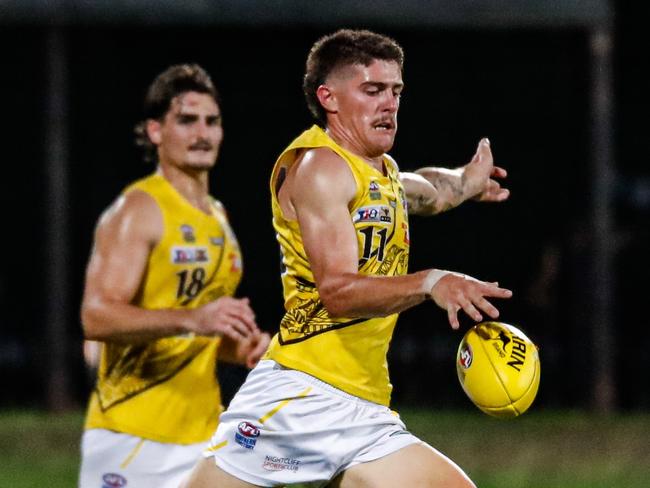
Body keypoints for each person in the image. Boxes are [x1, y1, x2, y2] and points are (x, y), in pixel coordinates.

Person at [184, 29, 511, 488]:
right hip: (300, 394)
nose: (389, 103)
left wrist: (468, 180)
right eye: (372, 90)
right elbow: (337, 291)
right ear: (329, 98)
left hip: (363, 406)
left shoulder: (381, 172)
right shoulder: (320, 167)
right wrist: (431, 281)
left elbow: (430, 191)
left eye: (396, 90)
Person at [78, 63, 270, 488]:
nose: (202, 132)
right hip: (131, 437)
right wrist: (194, 318)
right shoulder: (138, 210)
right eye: (186, 120)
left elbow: (200, 336)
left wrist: (244, 347)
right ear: (155, 131)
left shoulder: (218, 217)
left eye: (211, 121)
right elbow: (96, 317)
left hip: (203, 437)